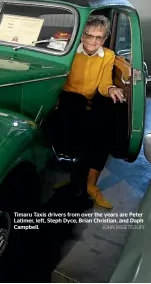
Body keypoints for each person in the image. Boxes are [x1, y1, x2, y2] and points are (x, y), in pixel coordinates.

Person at [53, 15, 125, 209]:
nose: (94, 41)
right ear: (82, 35)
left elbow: (103, 84)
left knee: (107, 125)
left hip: (91, 101)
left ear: (105, 38)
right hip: (69, 100)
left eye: (99, 37)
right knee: (76, 118)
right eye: (90, 35)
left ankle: (90, 185)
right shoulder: (68, 51)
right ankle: (76, 180)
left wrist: (111, 89)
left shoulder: (108, 55)